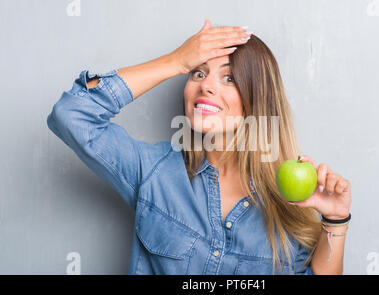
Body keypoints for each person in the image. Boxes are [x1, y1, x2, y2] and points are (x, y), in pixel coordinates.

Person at [47, 18, 352, 275]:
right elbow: (72, 115)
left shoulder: (289, 203)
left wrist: (336, 219)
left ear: (257, 100)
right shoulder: (154, 171)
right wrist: (175, 61)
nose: (206, 85)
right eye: (198, 72)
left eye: (229, 78)